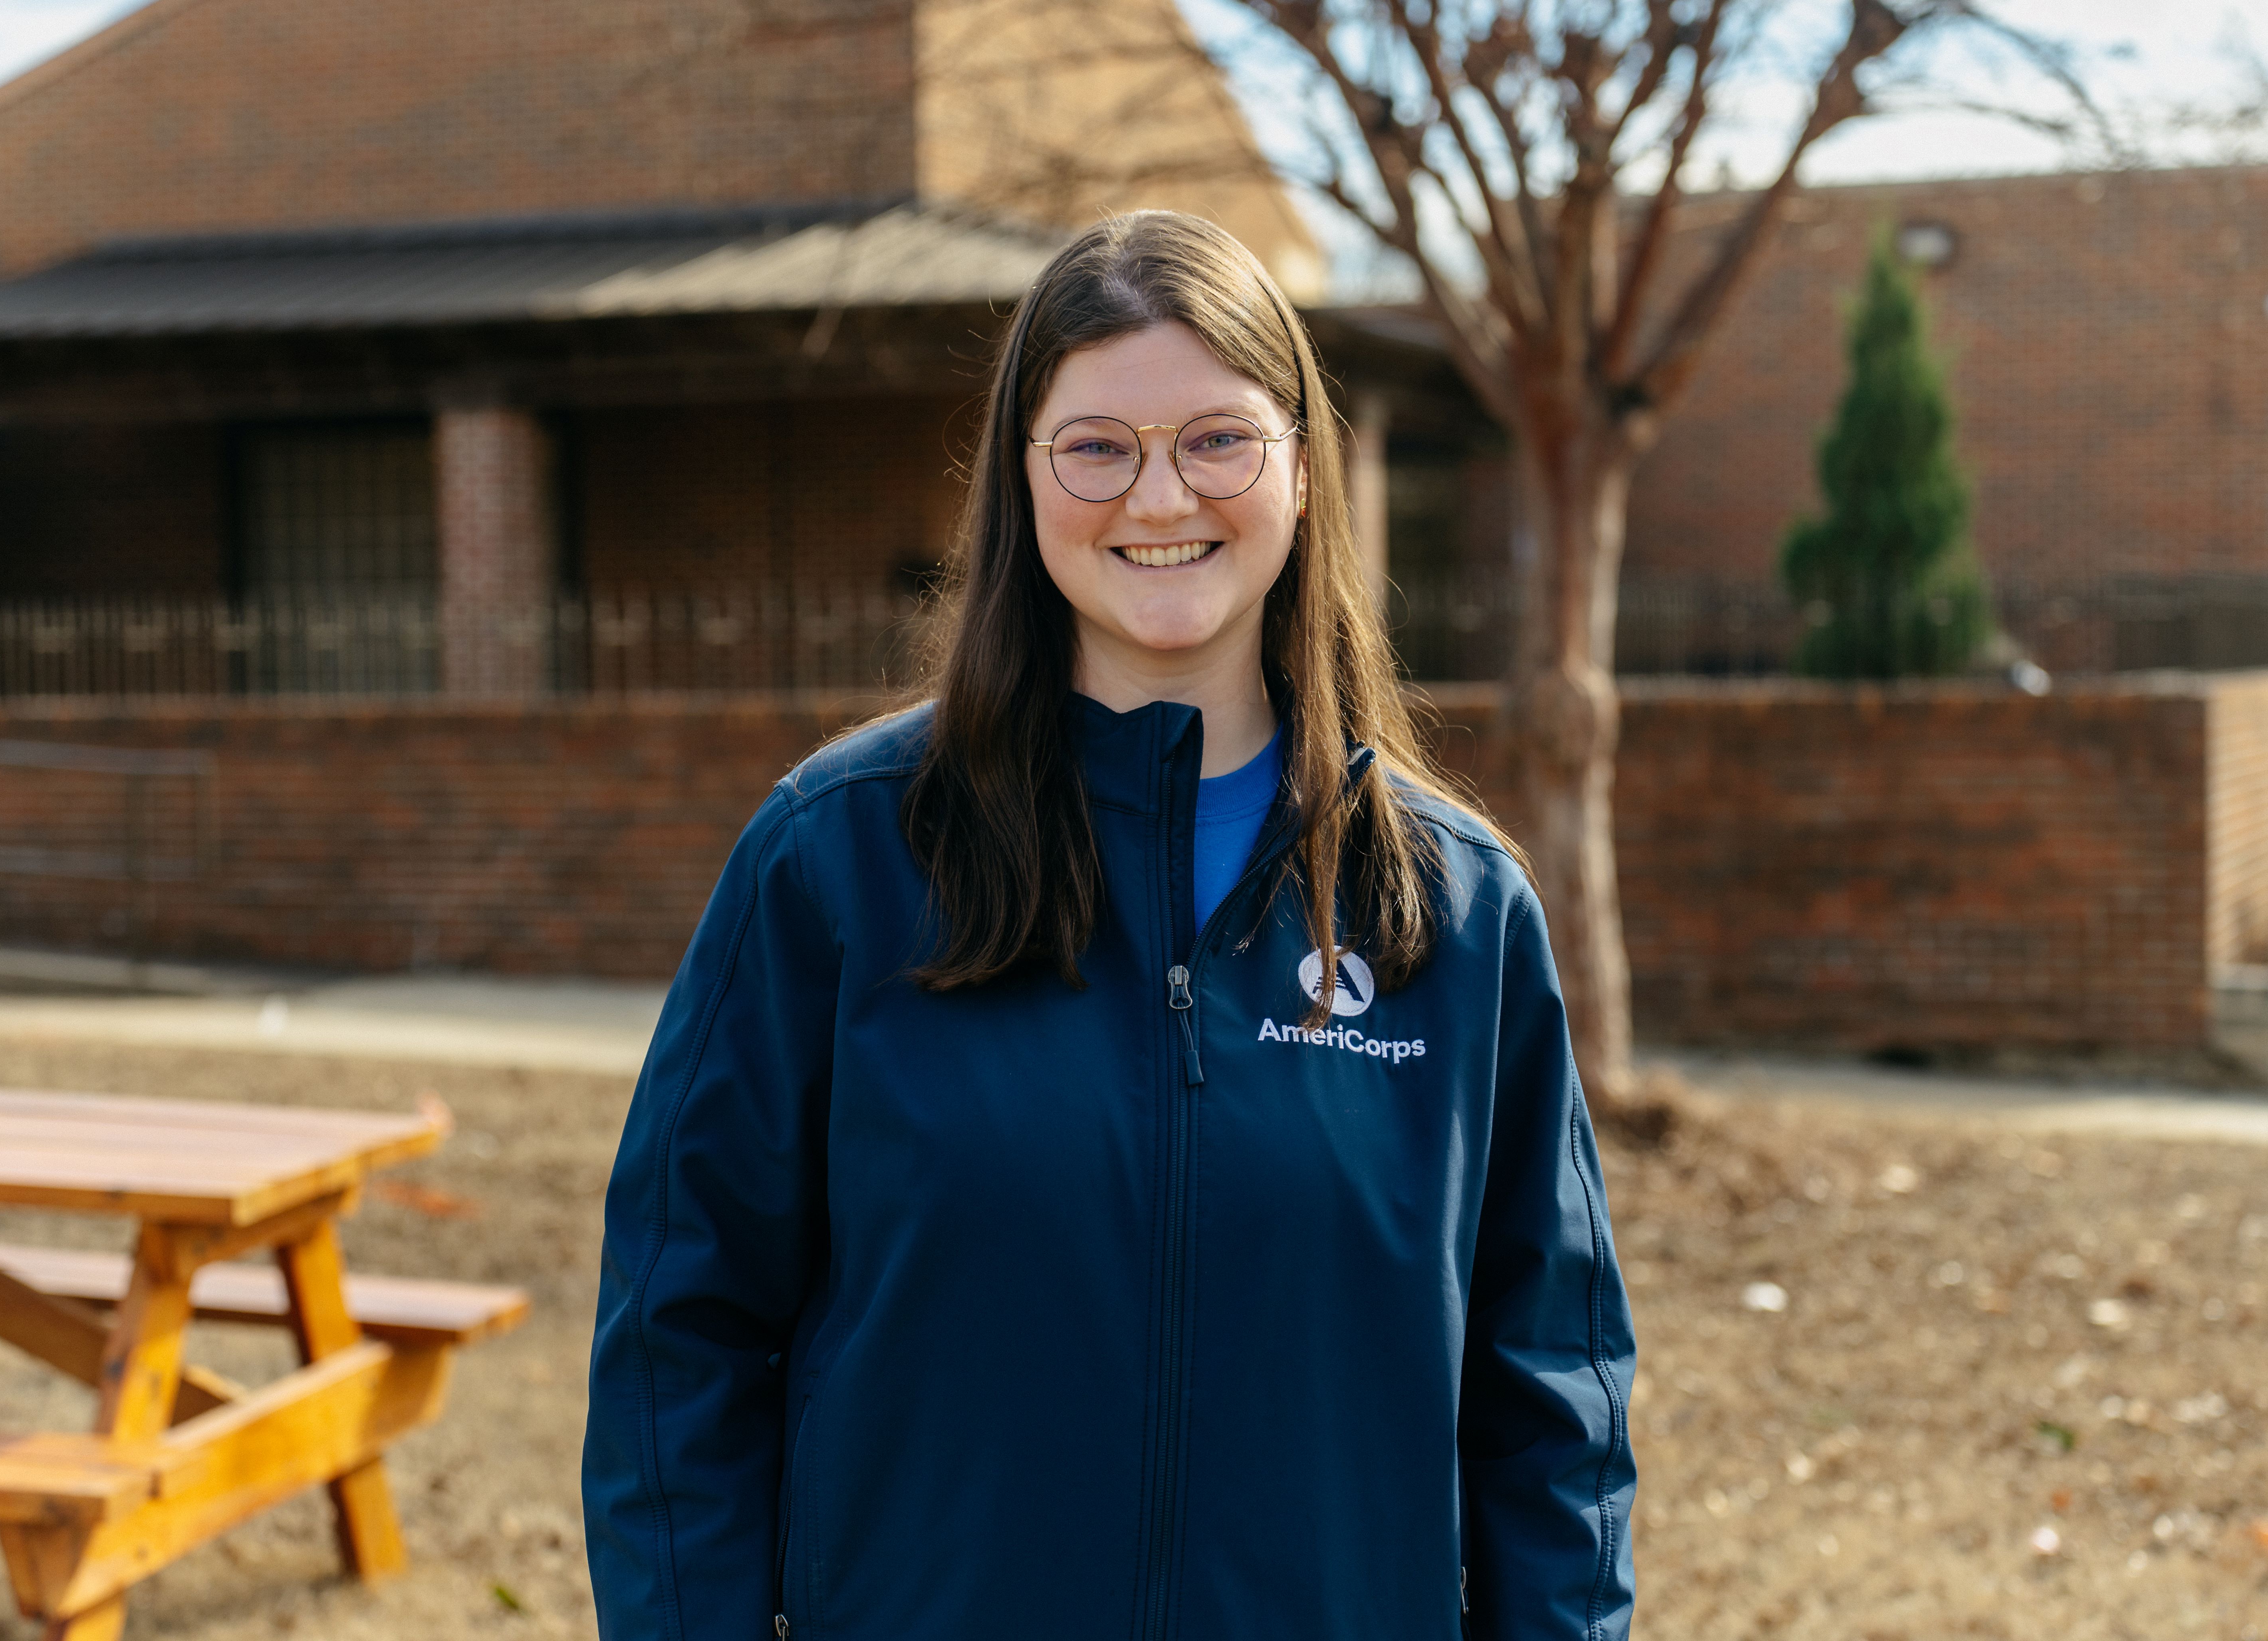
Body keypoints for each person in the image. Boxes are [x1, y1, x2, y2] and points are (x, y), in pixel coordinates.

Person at [582, 210, 1635, 1641]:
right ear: (1022, 483)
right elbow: (678, 1338)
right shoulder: (840, 861)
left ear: (1303, 476)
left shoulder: (1453, 913)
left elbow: (1551, 1411)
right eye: (1096, 447)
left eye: (1217, 439)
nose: (1157, 497)